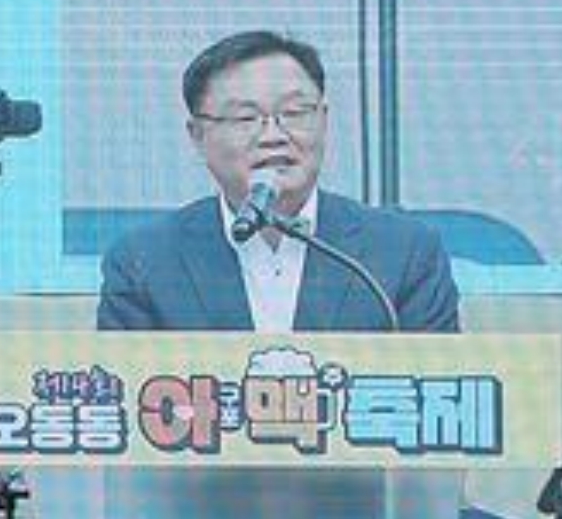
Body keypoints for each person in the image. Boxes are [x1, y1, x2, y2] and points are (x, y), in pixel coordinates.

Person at [96, 28, 459, 334]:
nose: (273, 136)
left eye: (295, 112)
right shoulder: (144, 261)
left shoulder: (404, 252)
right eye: (245, 118)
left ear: (324, 119)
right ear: (198, 136)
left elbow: (438, 382)